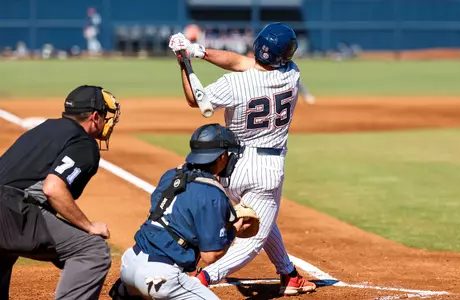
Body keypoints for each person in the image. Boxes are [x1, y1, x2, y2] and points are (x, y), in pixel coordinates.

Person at [168, 22, 317, 296]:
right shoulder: (291, 75)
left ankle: (289, 274)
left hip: (230, 167)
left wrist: (183, 60)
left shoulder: (233, 83)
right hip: (266, 169)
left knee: (260, 218)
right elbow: (242, 62)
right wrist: (195, 50)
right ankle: (203, 279)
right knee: (253, 240)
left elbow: (195, 99)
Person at [0, 85, 121, 300]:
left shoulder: (43, 129)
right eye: (105, 115)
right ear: (94, 117)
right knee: (93, 251)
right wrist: (88, 226)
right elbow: (53, 188)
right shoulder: (84, 143)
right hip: (12, 211)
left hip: (8, 212)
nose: (107, 121)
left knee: (4, 252)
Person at [109, 123, 255, 300]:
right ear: (222, 156)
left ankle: (129, 292)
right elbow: (211, 255)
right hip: (158, 277)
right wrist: (234, 230)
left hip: (130, 264)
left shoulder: (172, 174)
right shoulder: (212, 193)